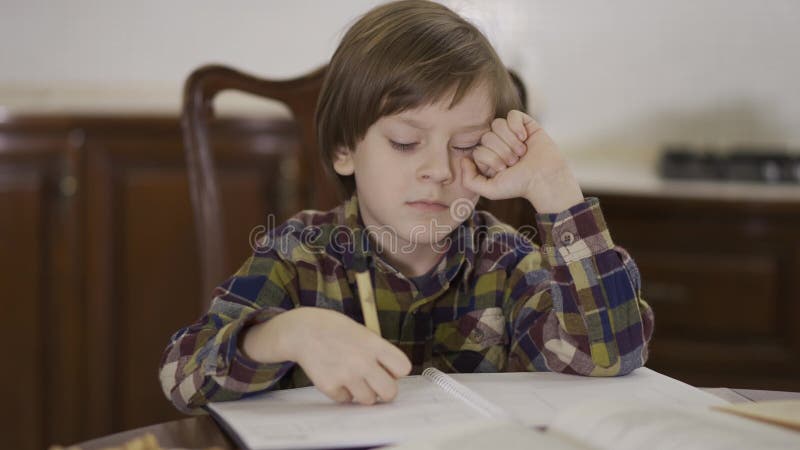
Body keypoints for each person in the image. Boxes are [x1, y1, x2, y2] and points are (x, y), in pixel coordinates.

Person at [159, 0, 654, 414]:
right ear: (344, 150)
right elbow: (182, 378)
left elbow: (611, 351)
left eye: (465, 144)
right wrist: (286, 334)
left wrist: (555, 187)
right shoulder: (297, 257)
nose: (438, 169)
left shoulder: (508, 264)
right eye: (403, 142)